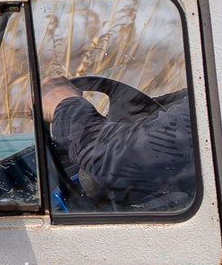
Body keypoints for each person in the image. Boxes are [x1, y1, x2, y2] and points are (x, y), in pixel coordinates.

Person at [40, 76, 198, 212]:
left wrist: (64, 104)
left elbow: (121, 161)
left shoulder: (215, 103)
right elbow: (163, 116)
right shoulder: (213, 93)